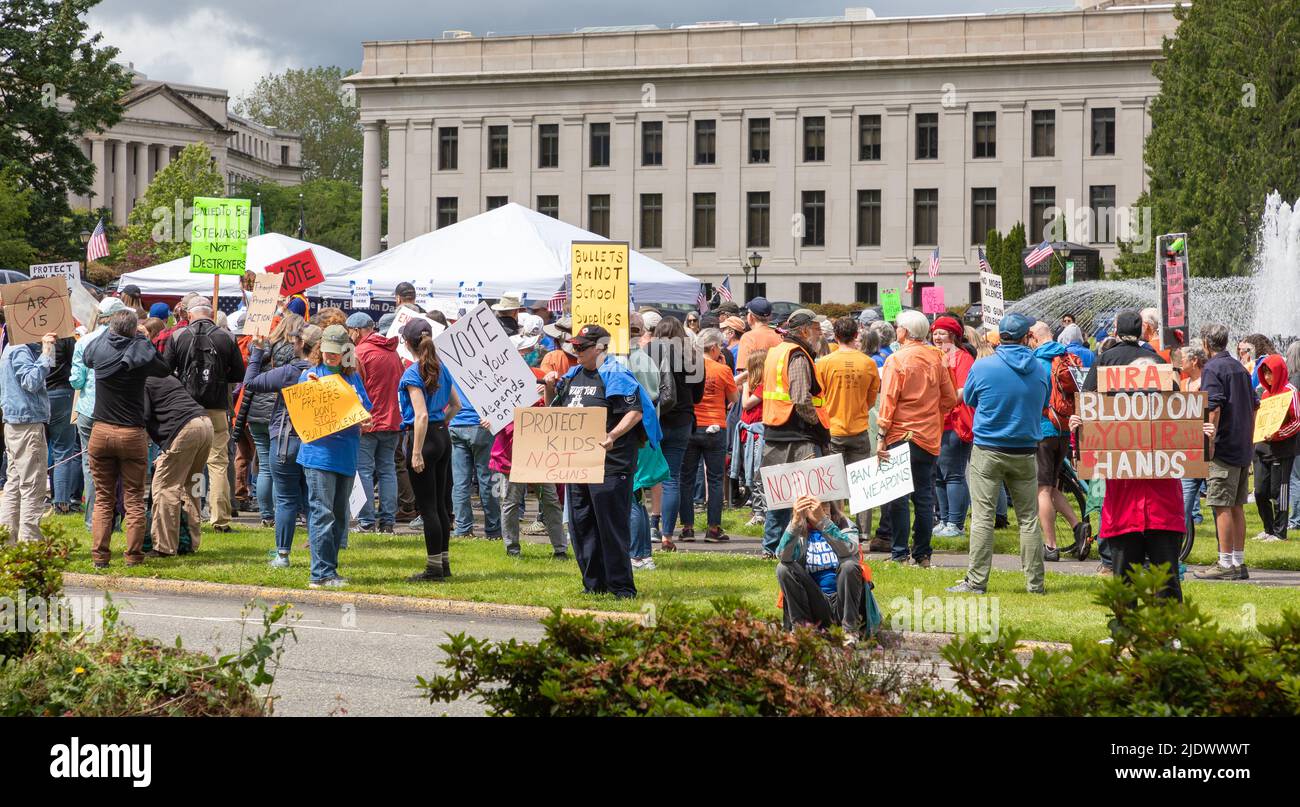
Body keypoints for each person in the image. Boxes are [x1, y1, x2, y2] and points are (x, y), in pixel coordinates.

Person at [1075, 310, 1196, 600]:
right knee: (1129, 582)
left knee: (1158, 583)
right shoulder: (1157, 362)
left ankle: (1165, 634)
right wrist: (1080, 429)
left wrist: (1199, 431)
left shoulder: (1110, 360)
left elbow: (1183, 421)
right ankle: (1126, 635)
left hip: (1154, 501)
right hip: (1127, 498)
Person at [546, 324, 660, 598]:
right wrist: (551, 387)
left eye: (582, 347)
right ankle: (594, 585)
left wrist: (612, 435)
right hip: (579, 463)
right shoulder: (573, 375)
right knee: (582, 525)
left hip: (611, 462)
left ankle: (621, 587)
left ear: (600, 347)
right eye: (574, 346)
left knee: (610, 526)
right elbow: (555, 411)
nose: (576, 351)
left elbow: (634, 412)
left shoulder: (615, 372)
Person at [947, 313, 1048, 595]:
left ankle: (976, 581)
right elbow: (1043, 399)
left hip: (989, 449)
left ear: (1000, 336)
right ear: (1026, 337)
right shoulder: (1039, 368)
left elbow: (969, 399)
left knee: (982, 517)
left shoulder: (984, 366)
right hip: (1025, 450)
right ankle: (1035, 584)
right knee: (1028, 519)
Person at [83, 310, 171, 568]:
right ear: (134, 330)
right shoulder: (140, 354)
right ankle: (132, 556)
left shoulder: (100, 350)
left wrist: (108, 333)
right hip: (132, 433)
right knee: (133, 497)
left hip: (100, 431)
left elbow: (88, 356)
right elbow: (164, 368)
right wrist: (144, 339)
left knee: (103, 497)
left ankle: (100, 556)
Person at [877, 310, 957, 567]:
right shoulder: (938, 358)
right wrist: (932, 414)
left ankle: (900, 553)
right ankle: (922, 554)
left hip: (900, 434)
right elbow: (950, 398)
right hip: (929, 436)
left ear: (905, 332)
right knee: (924, 496)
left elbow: (888, 401)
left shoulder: (896, 360)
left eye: (898, 326)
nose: (896, 330)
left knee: (898, 497)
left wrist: (881, 435)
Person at [297, 325, 373, 588]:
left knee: (339, 515)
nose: (331, 357)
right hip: (319, 456)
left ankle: (331, 570)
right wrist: (310, 390)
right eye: (327, 352)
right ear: (320, 350)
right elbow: (300, 413)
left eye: (336, 353)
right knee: (322, 512)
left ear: (346, 352)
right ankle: (320, 574)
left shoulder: (352, 378)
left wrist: (365, 419)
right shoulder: (309, 376)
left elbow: (365, 411)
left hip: (346, 454)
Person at [163, 296, 245, 533]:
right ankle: (220, 519)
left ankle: (192, 516)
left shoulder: (178, 336)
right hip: (217, 406)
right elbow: (237, 374)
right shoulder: (227, 337)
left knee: (190, 464)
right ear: (211, 313)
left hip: (186, 409)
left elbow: (166, 372)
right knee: (218, 463)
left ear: (189, 314)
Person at [245, 322, 321, 568]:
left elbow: (252, 382)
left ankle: (283, 555)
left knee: (287, 499)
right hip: (316, 440)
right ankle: (317, 556)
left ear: (300, 344)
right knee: (313, 500)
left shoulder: (290, 372)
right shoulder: (327, 372)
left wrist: (256, 352)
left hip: (286, 439)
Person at [760, 309, 830, 559]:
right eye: (817, 329)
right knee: (807, 495)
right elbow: (801, 398)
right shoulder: (797, 355)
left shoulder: (777, 351)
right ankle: (799, 547)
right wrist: (818, 426)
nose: (820, 334)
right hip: (798, 434)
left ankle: (771, 547)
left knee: (778, 495)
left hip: (774, 430)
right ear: (804, 331)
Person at [491, 334, 568, 559]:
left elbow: (551, 407)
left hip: (537, 451)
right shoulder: (499, 381)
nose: (528, 354)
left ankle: (560, 549)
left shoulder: (538, 375)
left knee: (551, 500)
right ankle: (512, 548)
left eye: (529, 350)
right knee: (511, 501)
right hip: (512, 454)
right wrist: (492, 420)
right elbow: (494, 413)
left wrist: (549, 384)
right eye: (524, 351)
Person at [1194, 323, 1256, 580]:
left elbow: (1214, 407)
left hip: (1224, 448)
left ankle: (1225, 563)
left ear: (1207, 344)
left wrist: (1210, 443)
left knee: (1221, 505)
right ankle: (1238, 563)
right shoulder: (1239, 367)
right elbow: (1254, 406)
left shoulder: (1212, 368)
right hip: (1242, 446)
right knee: (1237, 506)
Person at [400, 318, 460, 581]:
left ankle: (433, 567)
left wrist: (415, 452)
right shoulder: (441, 368)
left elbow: (420, 415)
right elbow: (455, 405)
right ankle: (443, 563)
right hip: (442, 437)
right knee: (441, 504)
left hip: (423, 438)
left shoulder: (413, 372)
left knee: (428, 507)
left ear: (407, 343)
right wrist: (443, 423)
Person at [815, 316, 880, 536]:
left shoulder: (823, 363)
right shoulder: (868, 363)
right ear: (856, 335)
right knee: (863, 483)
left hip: (832, 429)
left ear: (835, 335)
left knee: (833, 484)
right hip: (859, 427)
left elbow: (818, 398)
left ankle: (836, 527)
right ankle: (863, 531)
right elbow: (872, 399)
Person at [1028, 320, 1086, 561]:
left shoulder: (1037, 361)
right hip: (1064, 429)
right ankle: (1077, 526)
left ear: (1032, 337)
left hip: (1043, 430)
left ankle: (1050, 546)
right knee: (1051, 487)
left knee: (1041, 490)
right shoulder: (1068, 358)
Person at [776, 496, 867, 641]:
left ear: (831, 505)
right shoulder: (800, 531)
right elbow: (783, 556)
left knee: (849, 565)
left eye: (824, 503)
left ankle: (849, 632)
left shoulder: (844, 525)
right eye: (813, 505)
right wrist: (795, 522)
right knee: (783, 568)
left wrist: (823, 522)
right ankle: (803, 631)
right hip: (817, 603)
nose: (820, 508)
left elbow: (849, 550)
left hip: (843, 602)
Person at [143, 372, 214, 557]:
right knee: (192, 486)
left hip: (185, 429)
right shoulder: (166, 375)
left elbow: (142, 416)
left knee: (165, 487)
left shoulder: (143, 379)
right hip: (205, 423)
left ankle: (164, 547)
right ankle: (190, 542)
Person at [649, 315, 704, 550]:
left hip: (656, 418)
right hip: (683, 420)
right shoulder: (692, 355)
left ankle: (651, 524)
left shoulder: (651, 350)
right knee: (673, 477)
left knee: (650, 474)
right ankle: (667, 536)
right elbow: (698, 396)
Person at [71, 297, 127, 532]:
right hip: (117, 412)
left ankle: (93, 521)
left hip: (88, 411)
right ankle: (113, 521)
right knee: (118, 467)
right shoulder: (127, 341)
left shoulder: (84, 341)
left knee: (90, 465)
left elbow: (76, 381)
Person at [347, 311, 405, 534]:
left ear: (357, 331)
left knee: (363, 471)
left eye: (350, 331)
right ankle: (387, 522)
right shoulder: (391, 351)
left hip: (368, 422)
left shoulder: (360, 352)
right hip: (392, 421)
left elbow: (353, 388)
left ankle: (367, 522)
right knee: (387, 470)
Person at [677, 328, 737, 543]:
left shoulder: (688, 367)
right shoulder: (722, 369)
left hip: (691, 425)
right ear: (713, 348)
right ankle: (713, 528)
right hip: (715, 427)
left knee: (686, 479)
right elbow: (734, 397)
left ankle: (687, 528)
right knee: (714, 479)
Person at [0, 325, 56, 543]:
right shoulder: (20, 350)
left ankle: (7, 542)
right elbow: (31, 382)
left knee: (14, 484)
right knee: (33, 486)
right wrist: (46, 351)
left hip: (15, 423)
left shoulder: (10, 348)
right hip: (27, 424)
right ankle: (30, 545)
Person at [930, 315, 974, 539]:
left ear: (953, 335)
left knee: (953, 474)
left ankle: (956, 523)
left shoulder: (962, 358)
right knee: (939, 475)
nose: (937, 336)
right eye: (935, 332)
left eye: (942, 333)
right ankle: (944, 519)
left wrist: (940, 403)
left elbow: (964, 390)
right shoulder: (938, 356)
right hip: (937, 422)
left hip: (955, 423)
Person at [1251, 354, 1299, 542]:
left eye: (1270, 373)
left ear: (1278, 371)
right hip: (1262, 449)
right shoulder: (1264, 393)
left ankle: (1280, 532)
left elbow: (1297, 421)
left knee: (1280, 491)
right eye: (1264, 373)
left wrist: (1279, 434)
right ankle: (1268, 529)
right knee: (1260, 491)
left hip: (1282, 450)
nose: (1268, 377)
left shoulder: (1291, 391)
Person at [44, 330, 79, 516]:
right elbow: (76, 364)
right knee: (63, 451)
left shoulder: (29, 333)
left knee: (40, 451)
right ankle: (62, 503)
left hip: (39, 394)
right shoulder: (65, 336)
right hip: (62, 394)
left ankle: (36, 499)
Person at [734, 348, 767, 527]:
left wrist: (746, 385)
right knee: (751, 474)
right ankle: (758, 511)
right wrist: (747, 374)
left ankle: (762, 512)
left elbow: (746, 404)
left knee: (757, 474)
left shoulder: (764, 386)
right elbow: (732, 382)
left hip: (759, 436)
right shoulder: (755, 385)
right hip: (749, 435)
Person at [1179, 346, 1209, 530]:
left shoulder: (1207, 382)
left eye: (1183, 358)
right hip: (1186, 439)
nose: (1180, 361)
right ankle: (1191, 517)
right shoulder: (1183, 384)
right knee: (1186, 488)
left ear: (1194, 361)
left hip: (1204, 439)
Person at [736, 297, 782, 369]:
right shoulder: (779, 336)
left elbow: (743, 370)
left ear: (751, 316)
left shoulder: (748, 338)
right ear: (770, 317)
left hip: (756, 380)